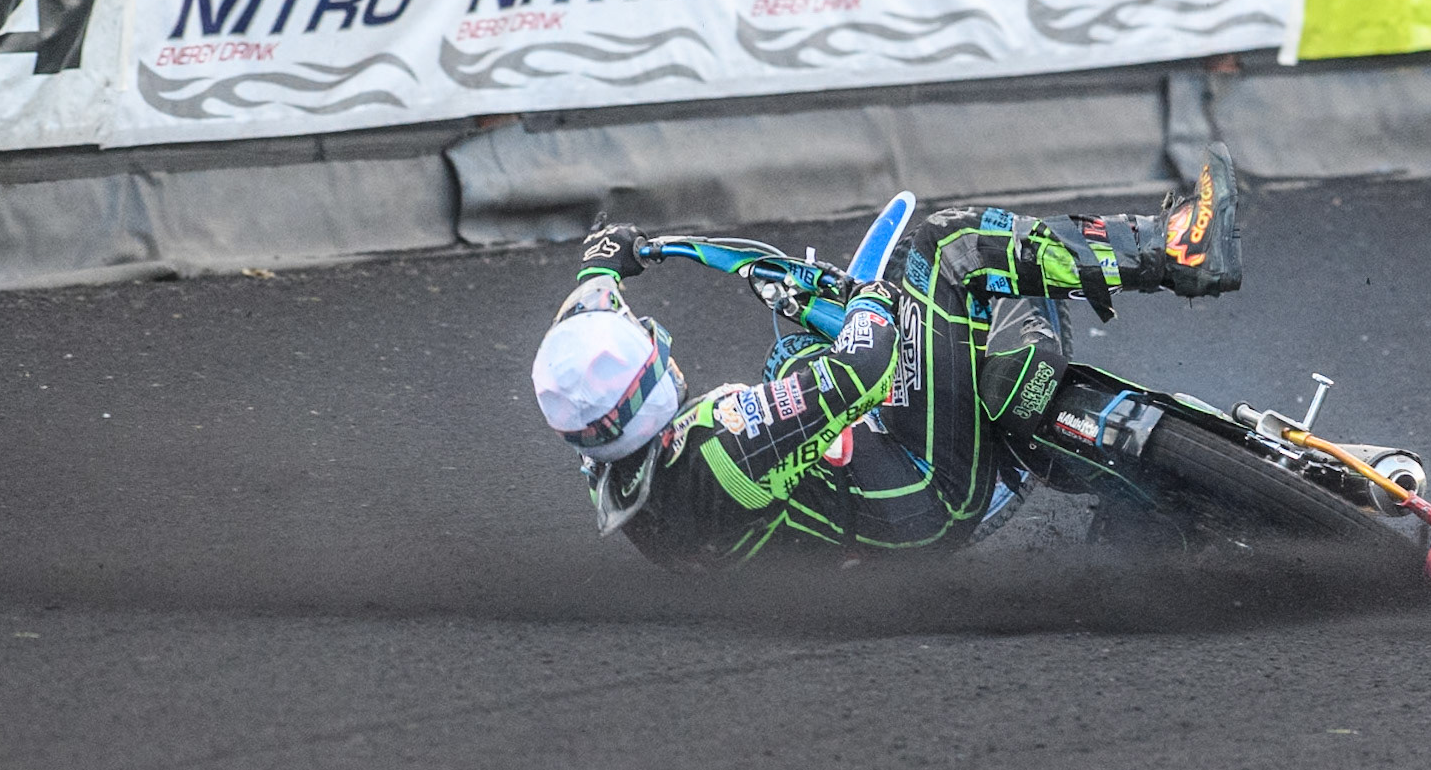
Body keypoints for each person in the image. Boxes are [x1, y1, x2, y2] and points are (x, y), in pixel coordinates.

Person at [531, 144, 1243, 572]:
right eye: (646, 348)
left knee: (790, 355)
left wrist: (603, 268)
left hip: (864, 532)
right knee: (947, 246)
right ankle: (1171, 248)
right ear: (649, 386)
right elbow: (865, 367)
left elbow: (583, 346)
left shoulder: (608, 447)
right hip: (926, 501)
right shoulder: (722, 442)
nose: (654, 341)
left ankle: (1125, 474)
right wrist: (871, 298)